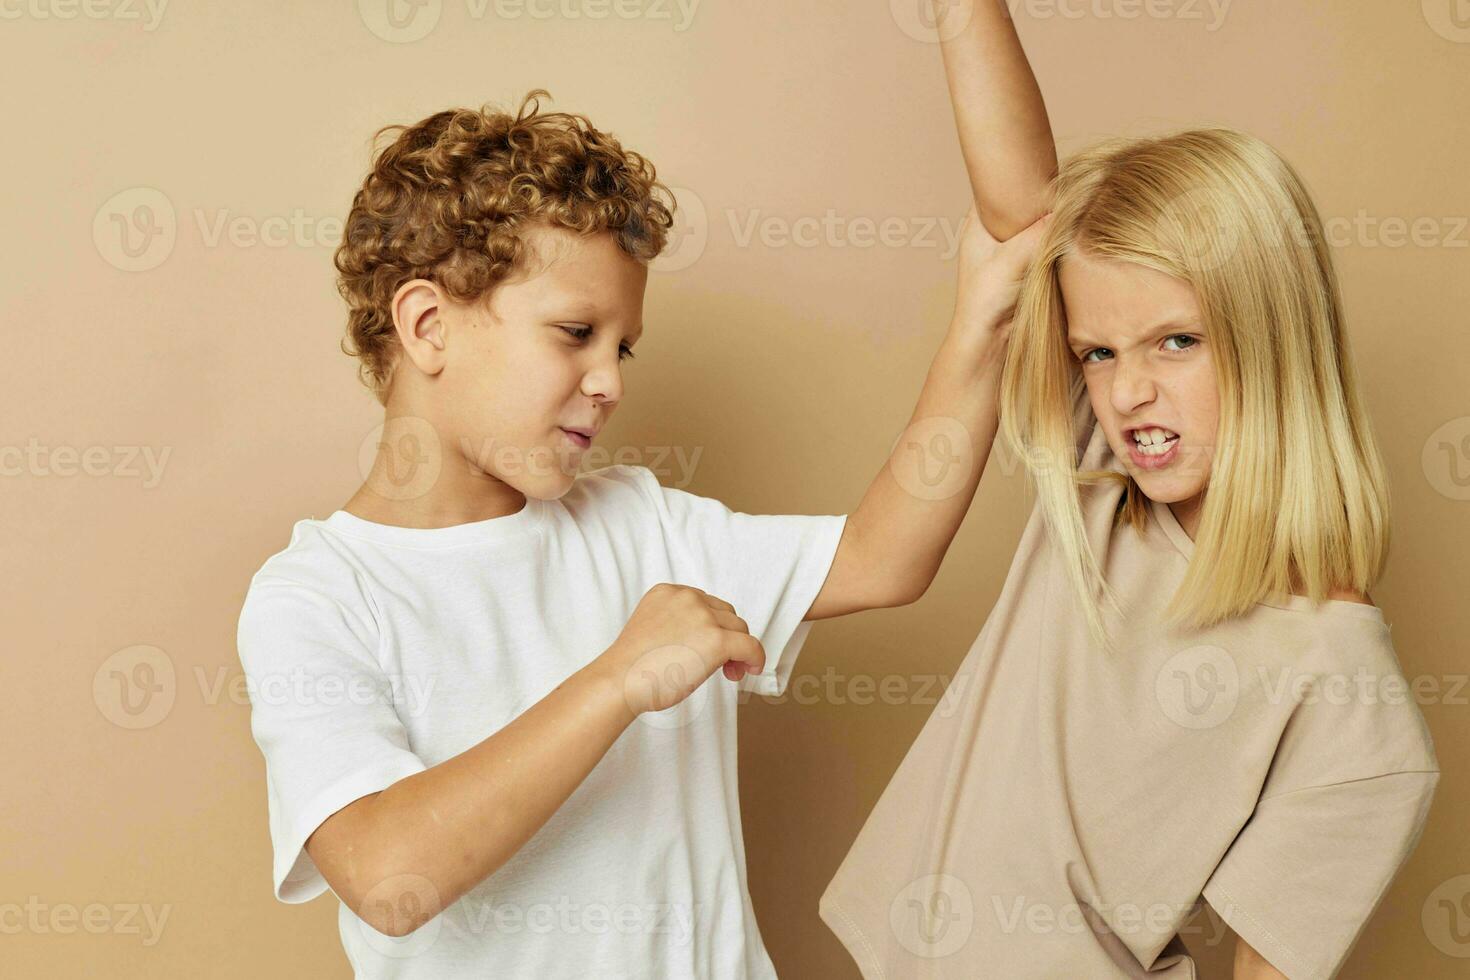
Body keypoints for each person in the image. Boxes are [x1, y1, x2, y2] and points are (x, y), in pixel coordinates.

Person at [235, 89, 1041, 977]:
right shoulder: (317, 597)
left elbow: (882, 558)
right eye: (575, 334)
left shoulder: (640, 523)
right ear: (428, 326)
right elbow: (390, 879)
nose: (609, 381)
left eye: (622, 348)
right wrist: (619, 679)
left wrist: (983, 328)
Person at [819, 3, 1439, 979]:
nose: (1128, 388)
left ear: (1276, 339)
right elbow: (1022, 218)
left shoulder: (1352, 703)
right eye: (1096, 352)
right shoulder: (1102, 481)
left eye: (1177, 341)